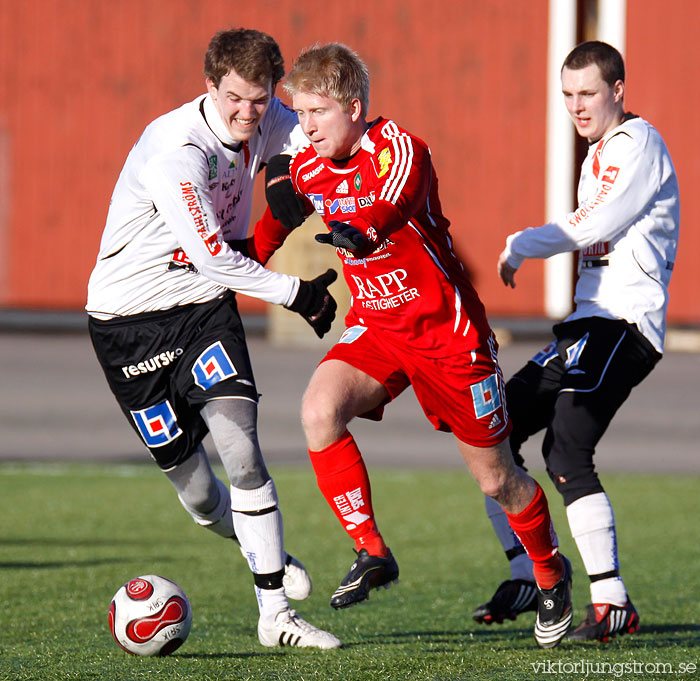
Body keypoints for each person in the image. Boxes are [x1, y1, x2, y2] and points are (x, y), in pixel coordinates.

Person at [259, 42, 574, 649]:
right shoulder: (308, 162)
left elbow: (395, 197)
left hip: (449, 337)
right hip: (380, 329)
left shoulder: (401, 148)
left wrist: (367, 224)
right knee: (318, 410)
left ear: (354, 107)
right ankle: (372, 550)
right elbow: (277, 217)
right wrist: (242, 254)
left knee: (496, 480)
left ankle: (550, 574)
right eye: (299, 114)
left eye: (318, 112)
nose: (307, 126)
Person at [86, 28, 342, 650]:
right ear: (209, 87)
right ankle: (266, 551)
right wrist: (297, 292)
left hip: (203, 311)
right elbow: (211, 256)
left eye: (259, 100)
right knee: (201, 495)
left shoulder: (270, 115)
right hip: (128, 323)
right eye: (234, 99)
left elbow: (309, 141)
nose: (247, 113)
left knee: (243, 448)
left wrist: (287, 179)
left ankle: (274, 610)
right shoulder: (177, 152)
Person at [472, 40, 680, 643]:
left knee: (566, 451)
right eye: (567, 95)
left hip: (624, 323)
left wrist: (521, 243)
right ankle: (529, 574)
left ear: (618, 89)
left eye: (588, 93)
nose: (577, 106)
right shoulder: (597, 156)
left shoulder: (636, 144)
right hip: (587, 325)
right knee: (493, 433)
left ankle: (612, 601)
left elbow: (596, 225)